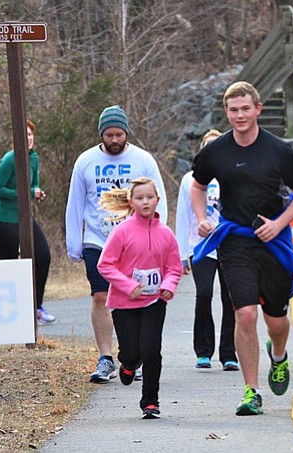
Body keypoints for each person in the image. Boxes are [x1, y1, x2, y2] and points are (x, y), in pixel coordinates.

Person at [191, 81, 293, 416]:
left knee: (276, 320)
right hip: (234, 240)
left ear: (258, 109)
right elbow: (197, 185)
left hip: (272, 242)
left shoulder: (279, 150)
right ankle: (251, 391)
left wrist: (279, 224)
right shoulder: (215, 152)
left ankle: (279, 355)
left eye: (246, 108)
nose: (240, 115)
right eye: (233, 110)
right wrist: (203, 218)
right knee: (244, 314)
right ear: (226, 113)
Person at [65, 105, 168, 383]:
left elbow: (160, 199)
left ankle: (137, 355)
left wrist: (160, 237)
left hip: (135, 241)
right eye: (109, 135)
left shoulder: (142, 160)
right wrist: (73, 243)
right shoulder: (85, 161)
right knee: (100, 296)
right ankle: (106, 358)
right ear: (101, 134)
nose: (114, 140)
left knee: (137, 298)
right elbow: (75, 203)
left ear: (126, 133)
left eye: (119, 134)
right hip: (97, 239)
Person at [97, 177, 182, 419]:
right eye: (140, 198)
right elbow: (106, 265)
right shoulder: (121, 232)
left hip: (154, 301)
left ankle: (150, 401)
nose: (145, 201)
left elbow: (174, 268)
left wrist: (168, 286)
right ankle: (127, 364)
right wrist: (128, 286)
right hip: (124, 303)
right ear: (131, 202)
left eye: (150, 197)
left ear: (158, 200)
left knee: (152, 350)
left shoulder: (166, 234)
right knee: (133, 353)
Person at [175, 129, 239, 371]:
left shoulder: (233, 175)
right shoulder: (190, 180)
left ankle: (228, 353)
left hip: (230, 244)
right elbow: (182, 216)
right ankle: (203, 351)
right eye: (208, 147)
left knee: (230, 297)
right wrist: (181, 255)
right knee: (204, 293)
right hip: (200, 246)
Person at [0, 119, 55, 324]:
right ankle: (9, 314)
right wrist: (27, 192)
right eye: (24, 134)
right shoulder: (10, 159)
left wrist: (37, 193)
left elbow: (33, 183)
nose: (28, 138)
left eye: (30, 134)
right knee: (10, 265)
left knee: (43, 255)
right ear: (15, 139)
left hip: (25, 218)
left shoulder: (33, 158)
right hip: (5, 219)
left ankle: (36, 307)